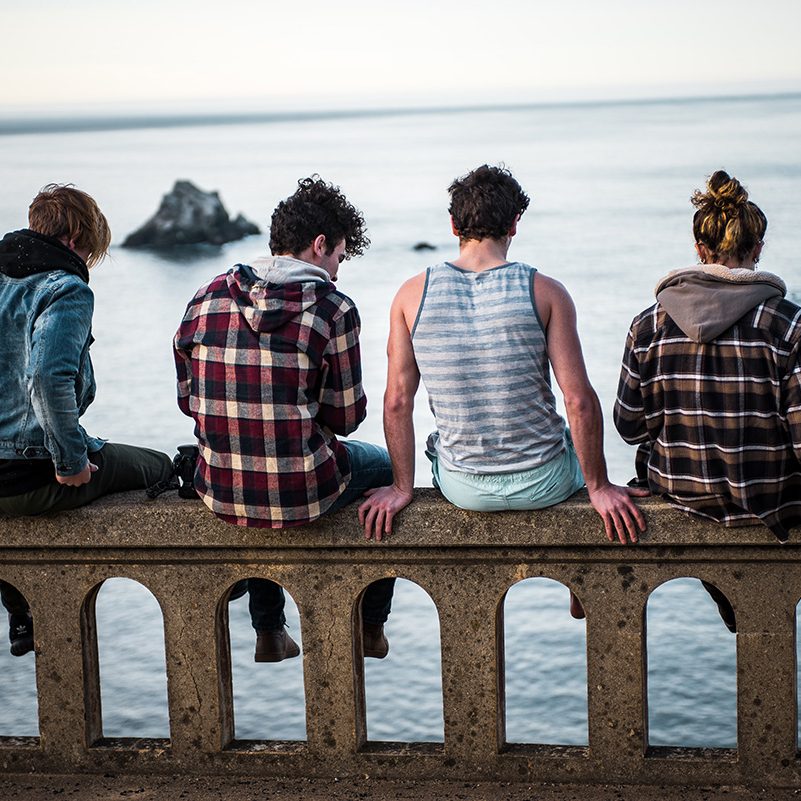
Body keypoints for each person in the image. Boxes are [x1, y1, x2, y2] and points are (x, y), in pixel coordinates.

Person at [358, 165, 647, 612]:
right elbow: (579, 402)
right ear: (514, 224)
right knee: (571, 446)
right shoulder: (546, 291)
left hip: (463, 487)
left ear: (454, 226)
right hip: (545, 481)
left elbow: (397, 401)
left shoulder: (411, 295)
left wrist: (401, 487)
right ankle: (580, 587)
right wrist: (600, 485)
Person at [174, 176, 395, 662]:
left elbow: (189, 399)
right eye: (338, 256)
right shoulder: (333, 308)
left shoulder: (206, 295)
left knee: (250, 458)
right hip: (304, 492)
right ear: (319, 246)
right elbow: (347, 416)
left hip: (218, 486)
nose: (337, 272)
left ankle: (269, 631)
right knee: (388, 472)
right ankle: (371, 625)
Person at [614, 170, 801, 631]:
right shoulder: (787, 324)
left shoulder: (648, 325)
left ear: (700, 251)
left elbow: (629, 427)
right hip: (771, 496)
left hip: (682, 490)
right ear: (757, 249)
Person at [0, 184, 173, 657]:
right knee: (160, 469)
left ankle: (20, 612)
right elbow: (47, 378)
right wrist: (70, 460)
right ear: (76, 237)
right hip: (26, 474)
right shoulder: (65, 288)